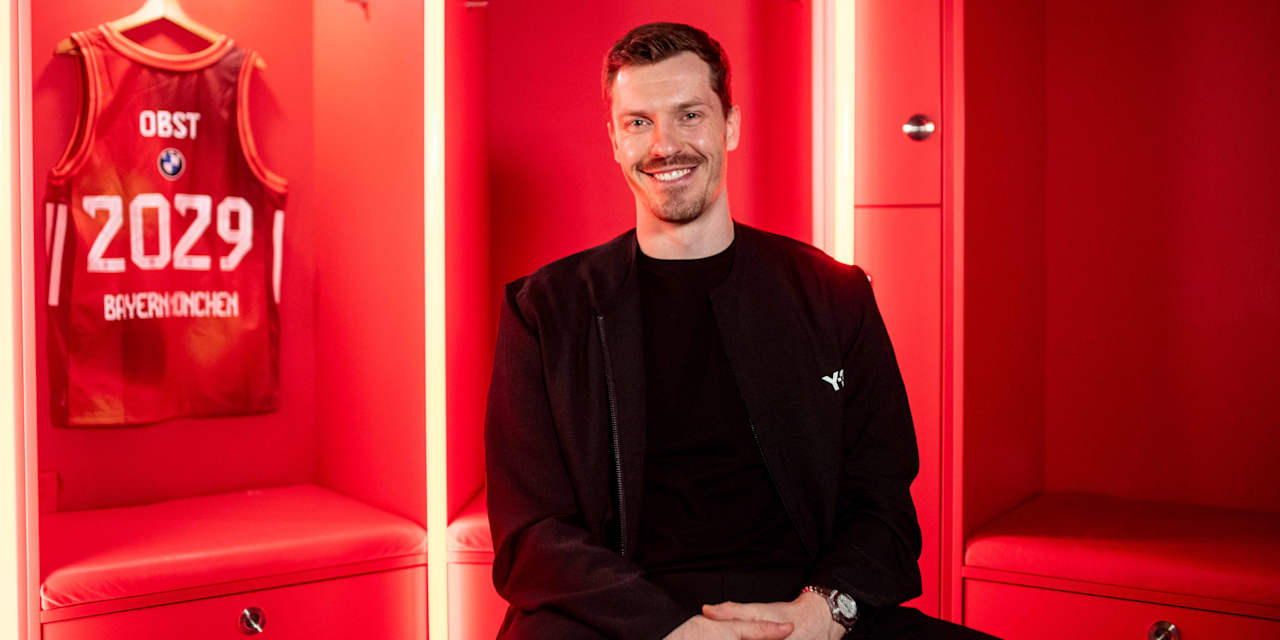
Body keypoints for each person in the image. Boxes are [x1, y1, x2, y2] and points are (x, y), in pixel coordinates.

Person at [485, 22, 999, 640]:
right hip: (615, 618)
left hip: (800, 611)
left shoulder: (834, 294)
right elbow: (531, 534)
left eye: (689, 115)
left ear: (730, 126)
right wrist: (672, 630)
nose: (664, 145)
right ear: (615, 140)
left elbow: (882, 501)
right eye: (639, 122)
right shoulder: (544, 310)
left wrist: (823, 613)